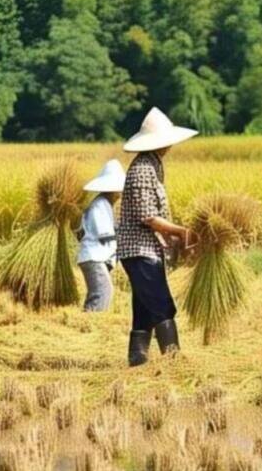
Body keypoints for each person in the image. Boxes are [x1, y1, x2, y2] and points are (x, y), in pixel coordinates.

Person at [117, 107, 198, 367]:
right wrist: (181, 231)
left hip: (149, 250)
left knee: (144, 310)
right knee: (162, 305)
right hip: (139, 251)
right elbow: (148, 216)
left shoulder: (154, 166)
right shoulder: (142, 168)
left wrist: (173, 239)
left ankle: (137, 362)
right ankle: (173, 361)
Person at [77, 159, 125, 312]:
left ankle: (88, 318)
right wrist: (123, 235)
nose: (119, 194)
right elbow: (104, 235)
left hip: (96, 256)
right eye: (117, 190)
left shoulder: (106, 205)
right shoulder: (99, 205)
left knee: (99, 292)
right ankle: (91, 321)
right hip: (93, 256)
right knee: (103, 291)